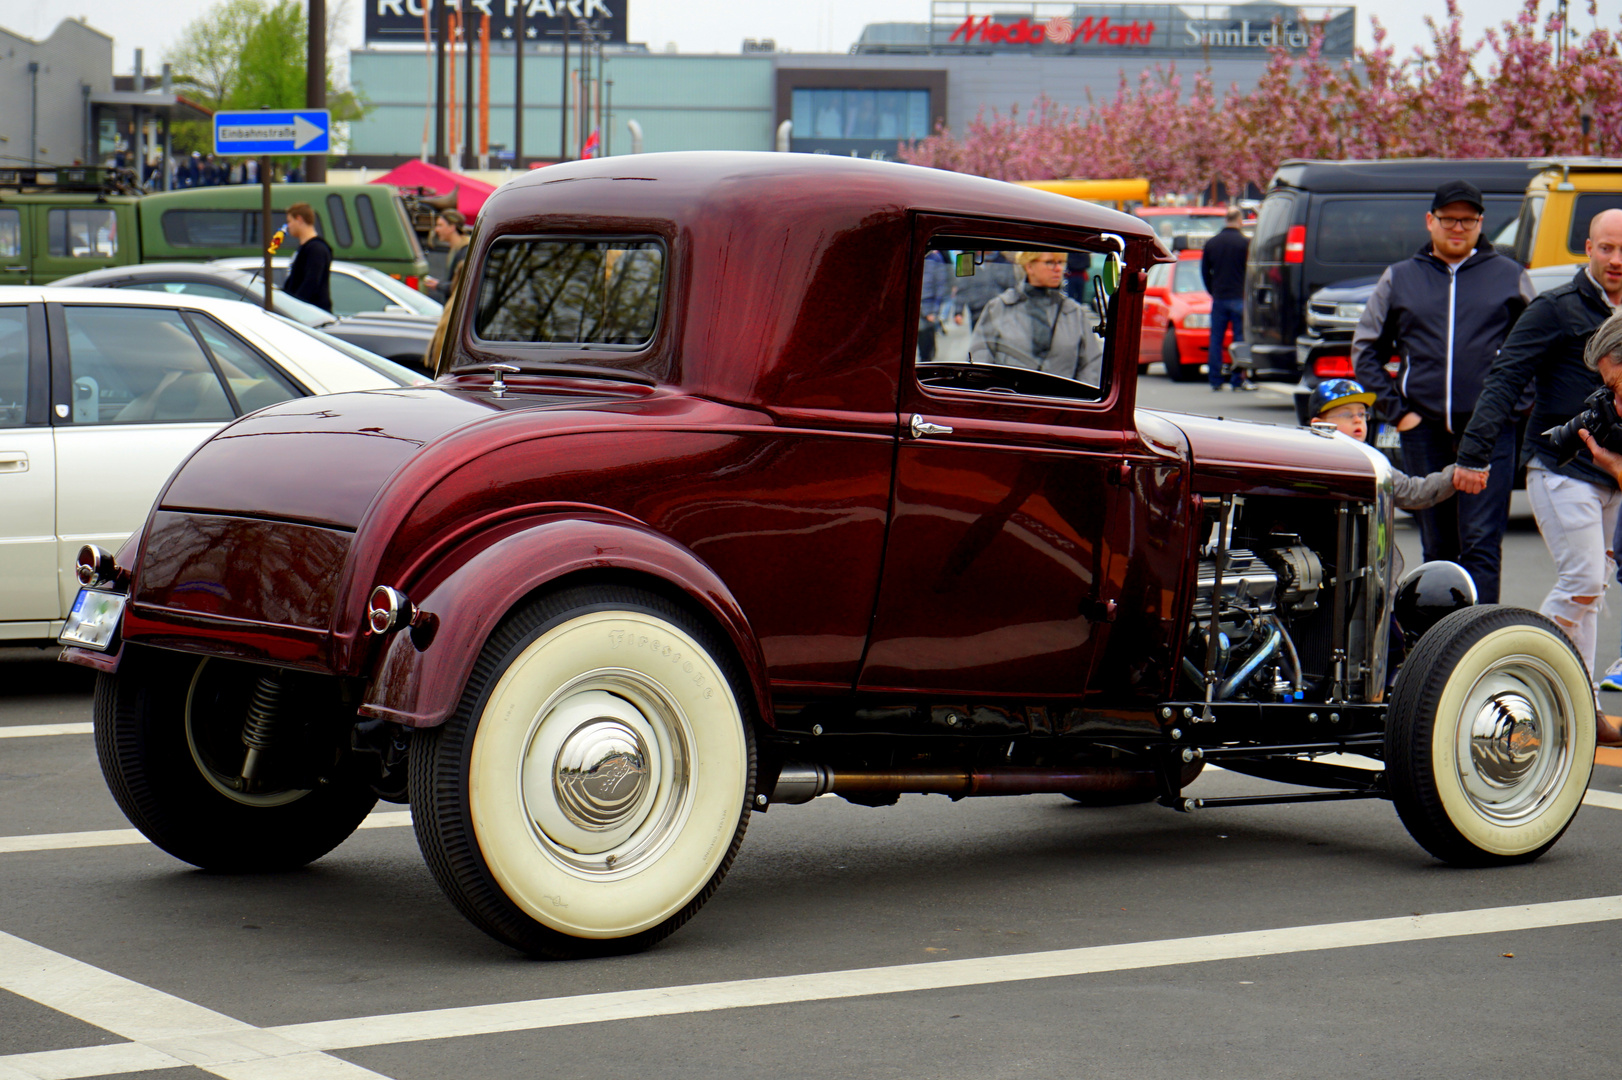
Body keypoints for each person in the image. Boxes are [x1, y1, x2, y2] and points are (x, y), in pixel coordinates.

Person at [1451, 212, 1622, 730]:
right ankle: (1519, 671)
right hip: (1563, 467)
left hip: (1618, 473)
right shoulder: (1555, 308)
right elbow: (1507, 376)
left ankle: (1580, 706)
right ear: (1588, 247)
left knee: (1593, 593)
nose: (1616, 261)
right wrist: (1474, 452)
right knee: (1584, 581)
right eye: (1607, 248)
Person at [1351, 180, 1536, 605]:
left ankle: (1480, 639)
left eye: (1467, 220)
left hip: (1489, 431)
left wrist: (1513, 409)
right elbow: (1365, 351)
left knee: (1482, 543)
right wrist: (1400, 413)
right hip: (1424, 430)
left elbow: (1536, 352)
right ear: (1430, 221)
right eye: (1449, 219)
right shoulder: (1400, 277)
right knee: (1437, 546)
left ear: (1480, 223)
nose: (1458, 227)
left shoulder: (1510, 277)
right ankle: (1434, 642)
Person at [1310, 379, 1457, 510]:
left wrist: (1457, 472)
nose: (1357, 420)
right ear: (1318, 424)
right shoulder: (1306, 460)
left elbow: (1411, 491)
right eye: (1346, 414)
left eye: (1361, 414)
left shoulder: (1370, 461)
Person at [969, 251, 1102, 383]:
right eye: (1049, 262)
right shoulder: (1000, 307)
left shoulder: (1074, 313)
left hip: (1060, 402)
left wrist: (1076, 400)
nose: (1058, 268)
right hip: (1010, 400)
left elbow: (1091, 365)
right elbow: (979, 359)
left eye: (1061, 263)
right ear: (1029, 267)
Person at [1200, 206, 1253, 391]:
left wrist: (1212, 291)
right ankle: (1237, 379)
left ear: (1225, 220)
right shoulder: (1245, 243)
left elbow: (1205, 272)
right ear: (1239, 220)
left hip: (1220, 297)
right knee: (1239, 339)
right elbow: (1251, 272)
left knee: (1216, 339)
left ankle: (1215, 379)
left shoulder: (1212, 243)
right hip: (1239, 296)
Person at [282, 202, 333, 313]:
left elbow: (311, 282)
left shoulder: (316, 249)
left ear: (299, 219)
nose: (288, 226)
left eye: (289, 221)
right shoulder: (304, 248)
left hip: (312, 315)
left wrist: (296, 307)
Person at [423, 210, 470, 304]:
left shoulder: (465, 251)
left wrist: (438, 285)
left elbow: (460, 286)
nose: (436, 229)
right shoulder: (457, 249)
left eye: (440, 225)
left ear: (452, 227)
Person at [917, 249, 952, 362]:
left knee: (926, 350)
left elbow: (940, 286)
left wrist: (933, 311)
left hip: (927, 311)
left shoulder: (934, 259)